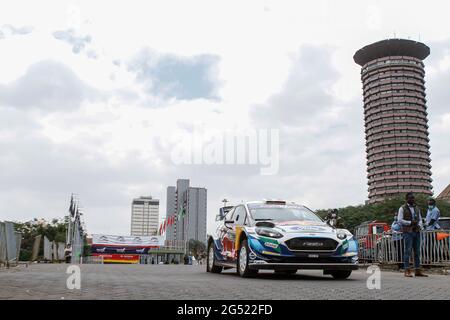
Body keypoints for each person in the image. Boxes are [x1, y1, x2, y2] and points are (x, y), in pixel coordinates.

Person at [397, 192, 428, 277]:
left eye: (413, 198)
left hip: (416, 231)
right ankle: (407, 270)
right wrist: (410, 222)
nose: (412, 199)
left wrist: (419, 224)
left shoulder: (417, 208)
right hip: (408, 232)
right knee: (407, 251)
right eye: (410, 198)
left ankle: (417, 270)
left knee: (417, 252)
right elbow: (399, 220)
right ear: (406, 199)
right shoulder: (402, 208)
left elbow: (420, 219)